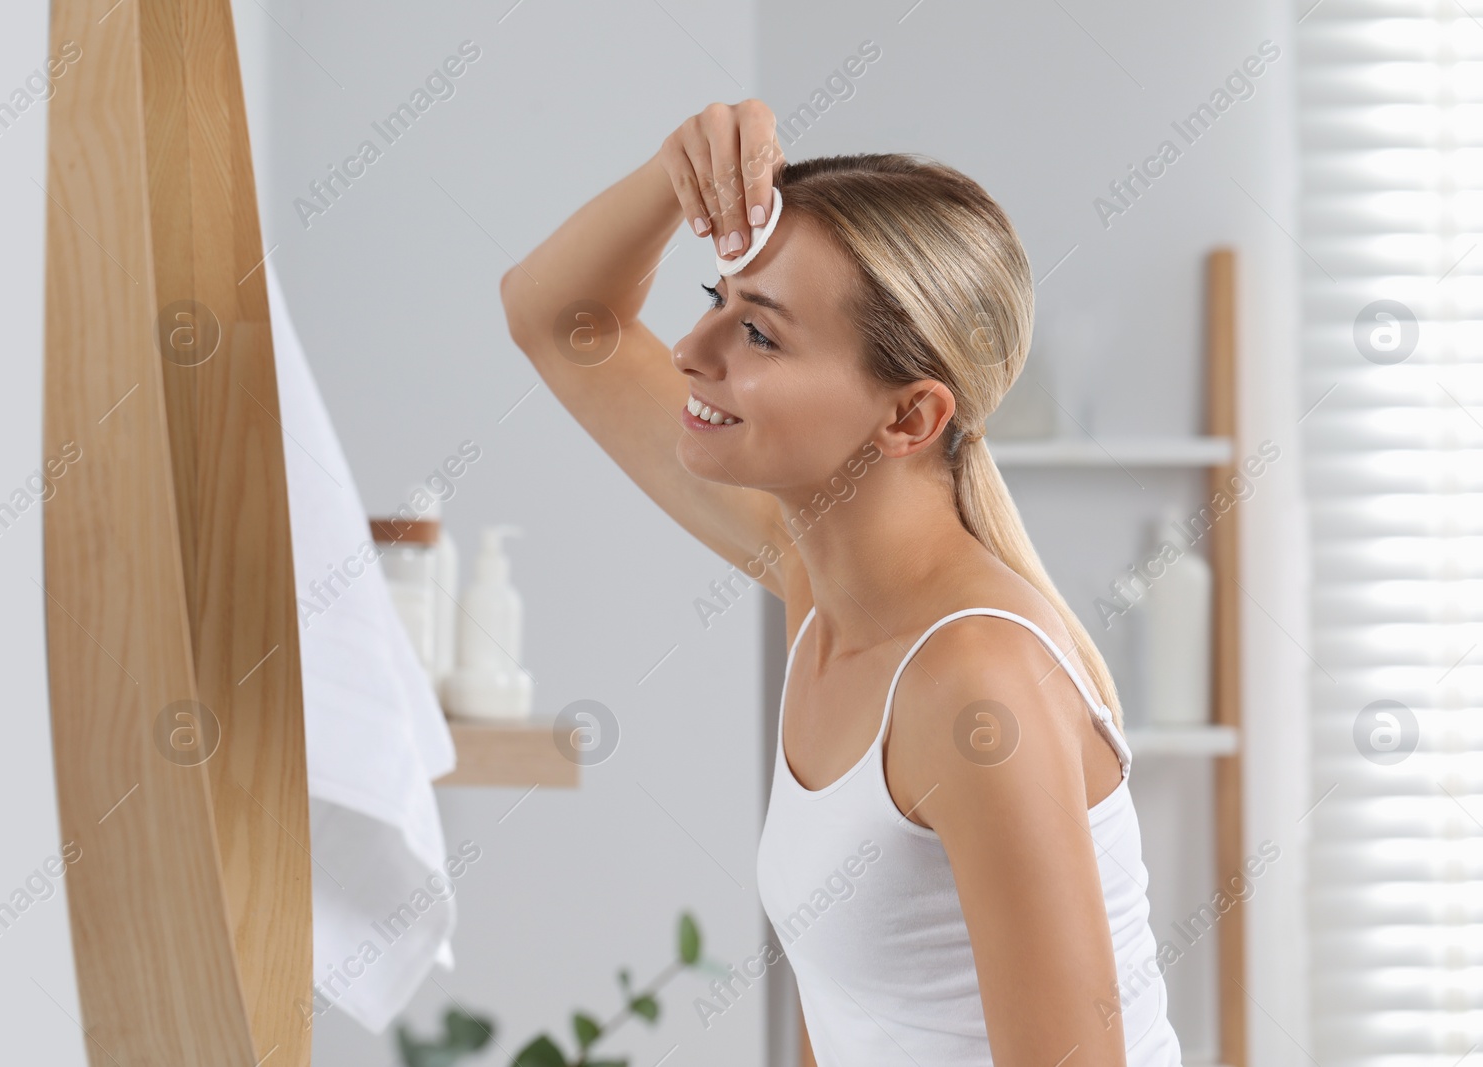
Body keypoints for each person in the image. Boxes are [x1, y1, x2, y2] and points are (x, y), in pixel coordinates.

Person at [500, 99, 1183, 1067]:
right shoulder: (823, 589)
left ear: (908, 415)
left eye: (762, 336)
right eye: (716, 298)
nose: (693, 351)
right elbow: (553, 316)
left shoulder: (972, 683)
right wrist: (677, 174)